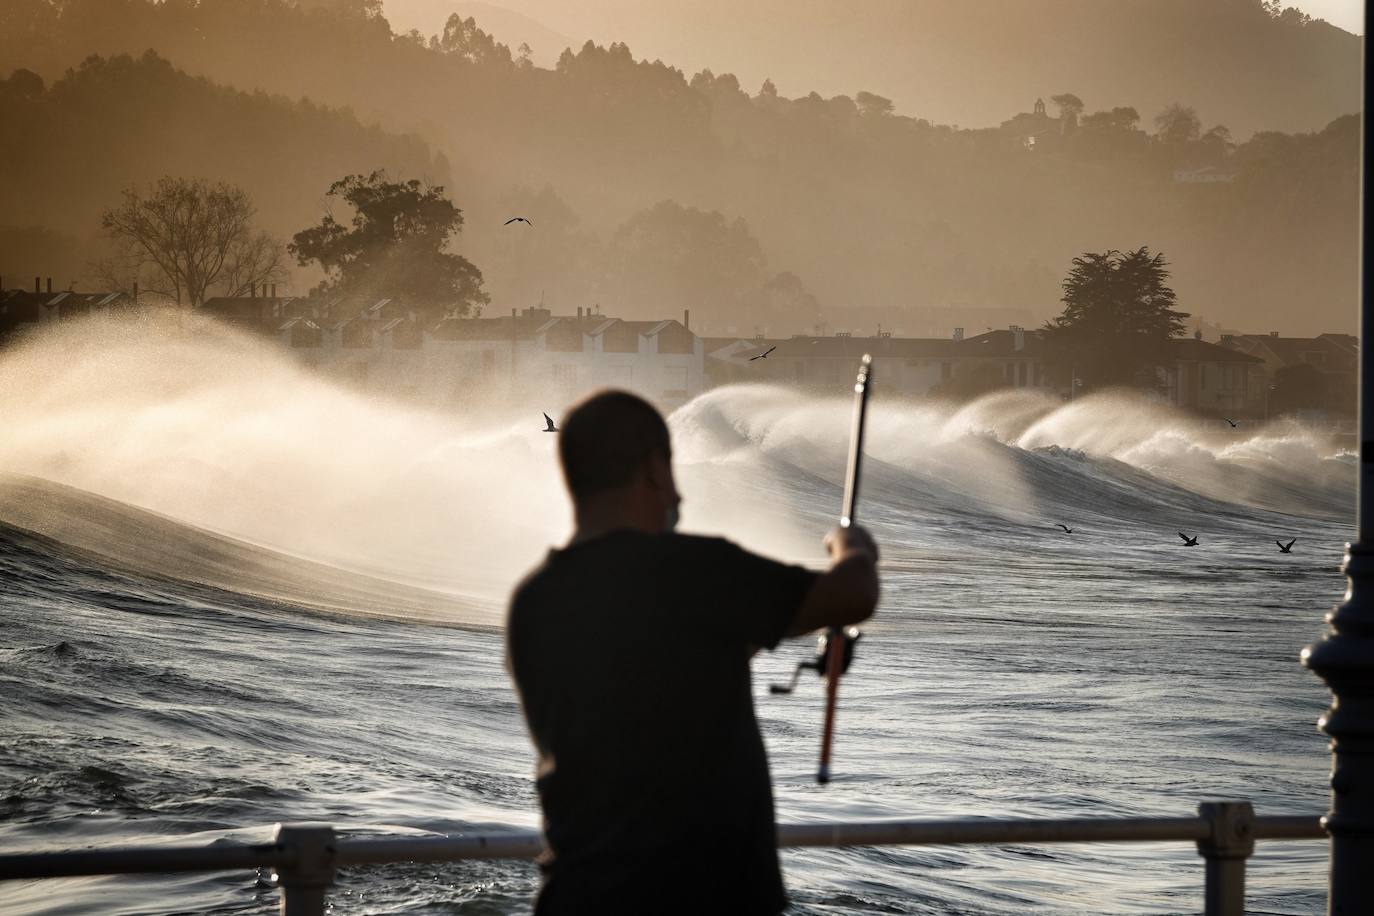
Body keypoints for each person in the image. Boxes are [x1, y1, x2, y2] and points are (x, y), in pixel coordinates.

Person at [506, 389, 880, 916]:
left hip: (580, 893)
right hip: (701, 896)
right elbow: (854, 593)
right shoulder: (696, 569)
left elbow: (650, 673)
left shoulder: (535, 599)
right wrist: (851, 545)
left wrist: (748, 642)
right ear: (655, 469)